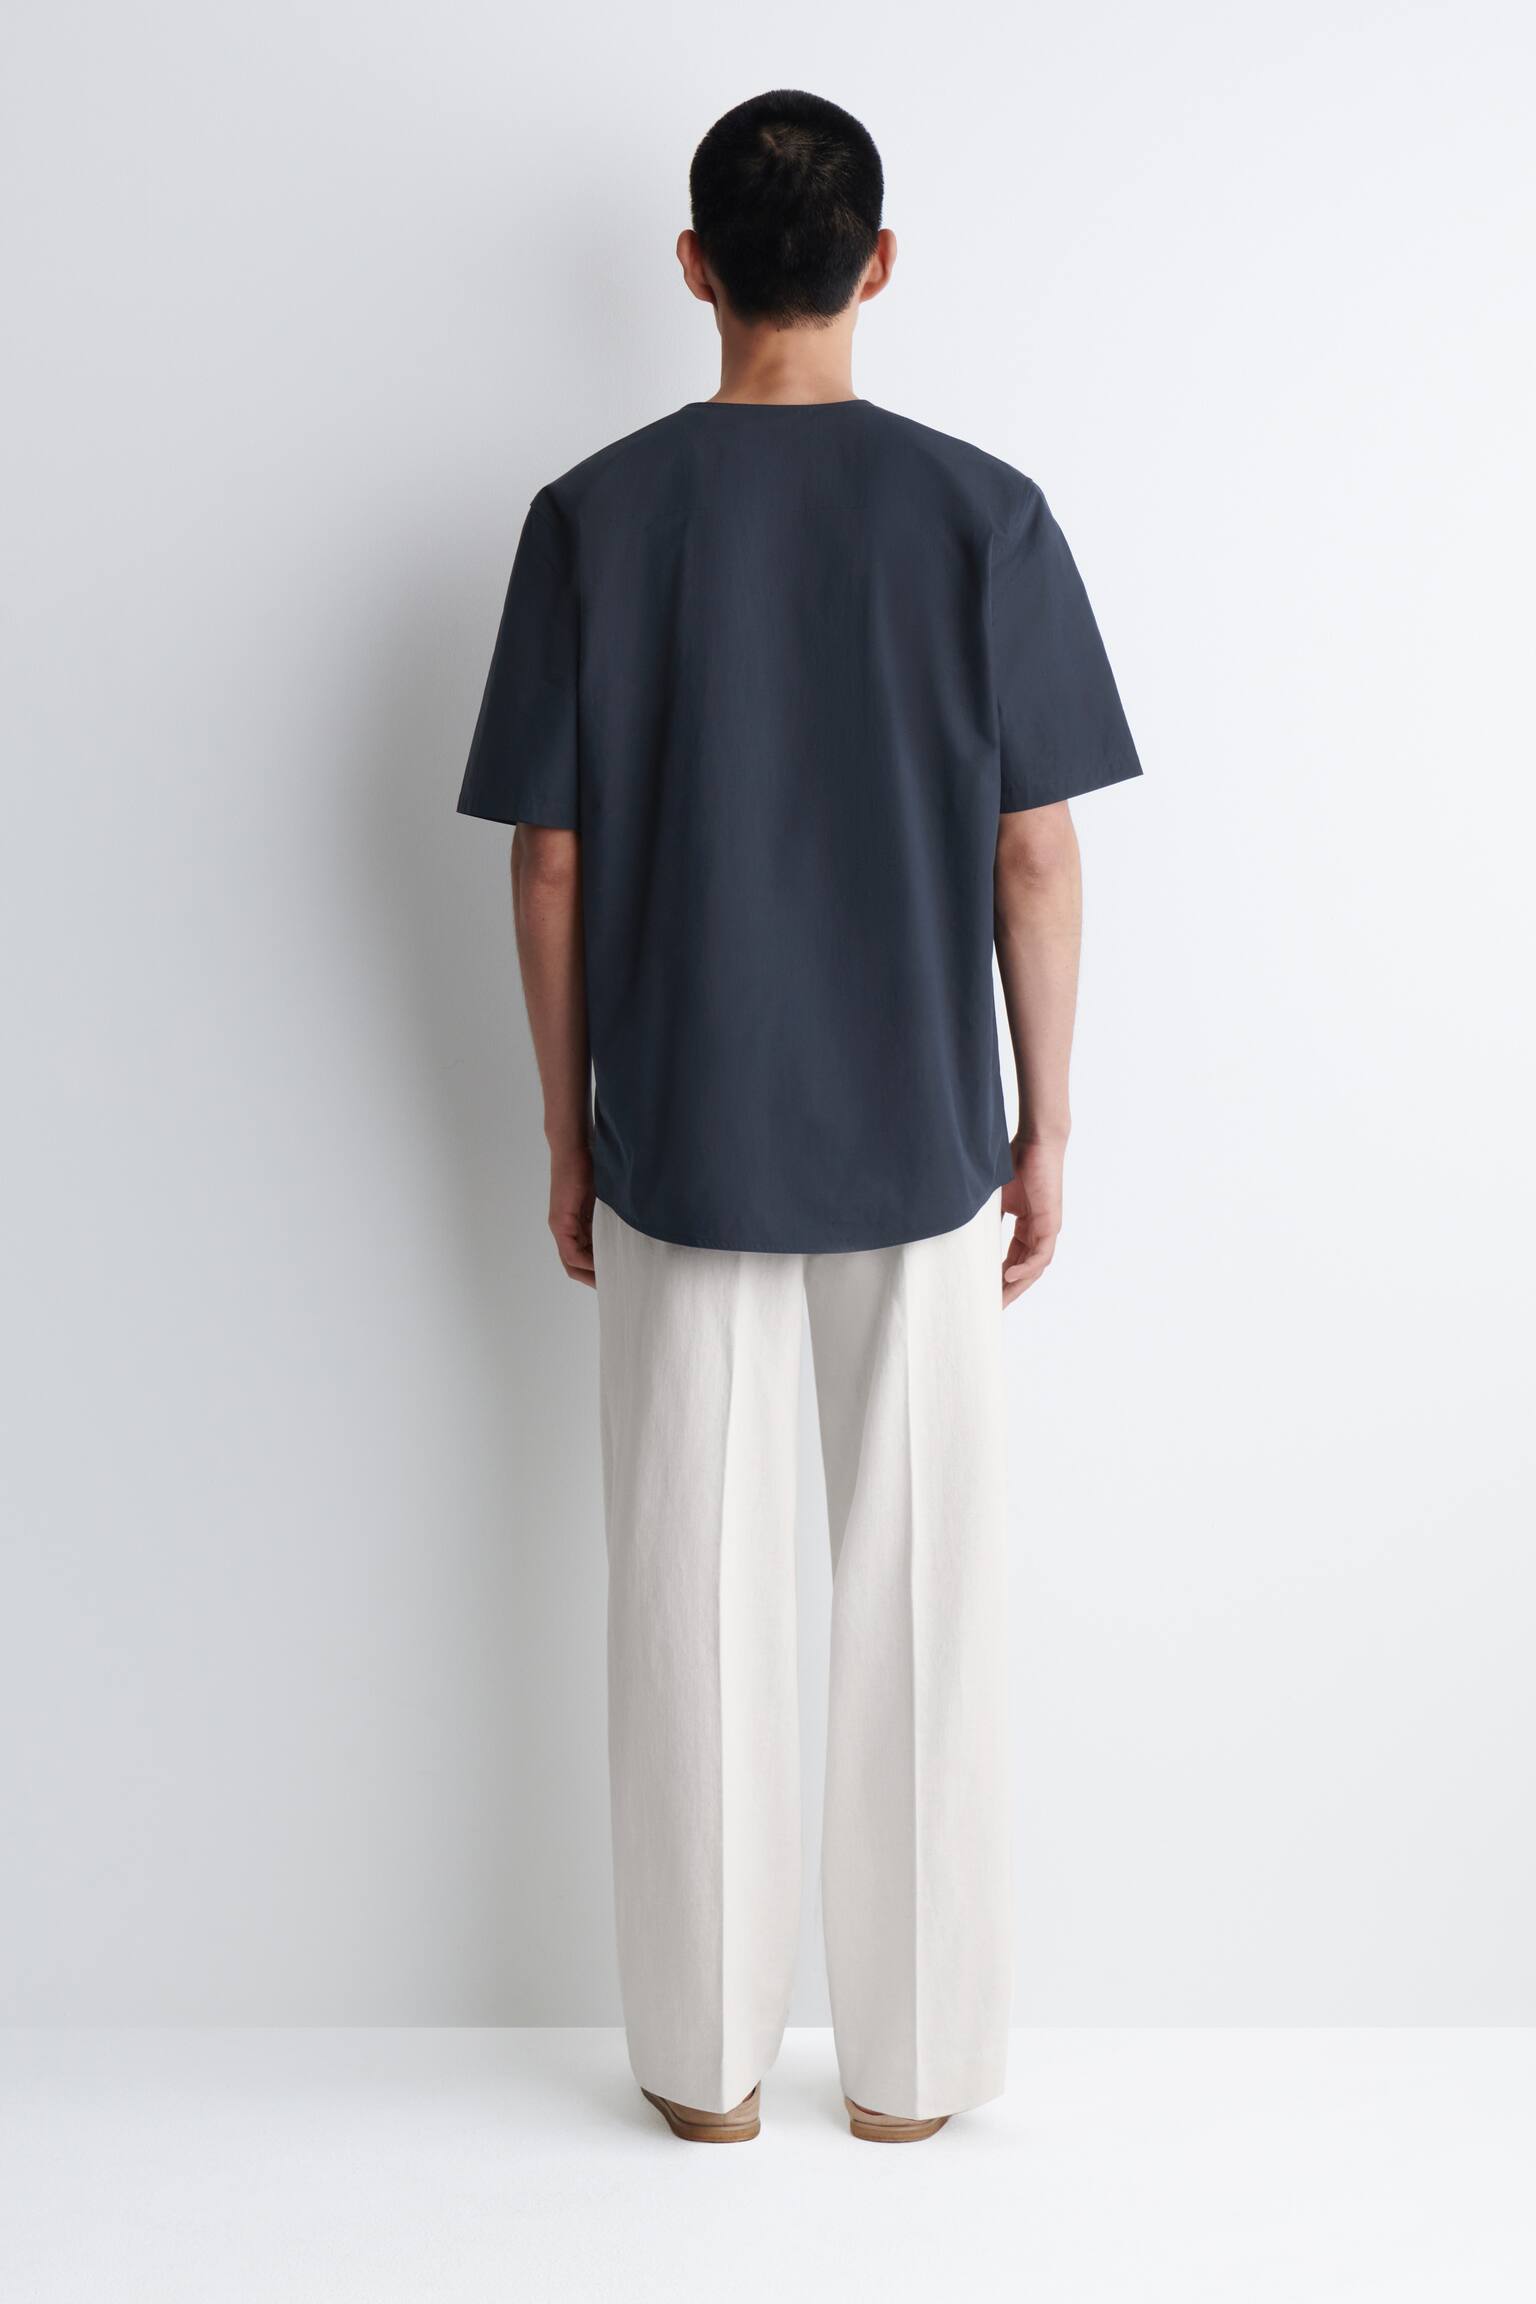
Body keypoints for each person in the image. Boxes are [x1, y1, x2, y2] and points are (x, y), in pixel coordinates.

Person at [457, 88, 1141, 2145]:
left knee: (691, 1603)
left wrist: (566, 1131)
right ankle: (917, 2080)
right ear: (879, 264)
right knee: (923, 1603)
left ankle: (704, 2074)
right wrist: (1046, 1122)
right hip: (924, 1141)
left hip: (677, 1135)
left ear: (693, 268)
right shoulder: (983, 515)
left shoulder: (593, 518)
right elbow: (1037, 852)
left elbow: (550, 861)